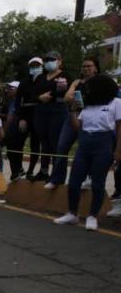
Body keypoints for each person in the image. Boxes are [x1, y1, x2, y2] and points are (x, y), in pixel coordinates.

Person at [54, 75, 121, 230]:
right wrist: (73, 111)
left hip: (103, 143)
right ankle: (72, 213)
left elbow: (119, 128)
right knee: (74, 181)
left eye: (91, 87)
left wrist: (118, 150)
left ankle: (92, 216)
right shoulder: (88, 105)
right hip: (84, 143)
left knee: (98, 182)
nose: (87, 90)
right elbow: (79, 126)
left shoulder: (116, 103)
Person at [47, 56, 101, 189]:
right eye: (84, 66)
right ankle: (57, 179)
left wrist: (78, 99)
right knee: (61, 147)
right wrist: (81, 100)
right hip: (72, 116)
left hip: (91, 119)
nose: (86, 68)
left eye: (89, 66)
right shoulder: (77, 82)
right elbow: (67, 97)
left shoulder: (100, 81)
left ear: (95, 68)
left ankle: (88, 178)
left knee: (86, 149)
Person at [33, 50, 71, 183]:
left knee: (56, 143)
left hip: (58, 111)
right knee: (44, 143)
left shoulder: (65, 75)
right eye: (47, 60)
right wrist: (40, 97)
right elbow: (33, 92)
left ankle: (57, 175)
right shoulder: (40, 77)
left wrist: (51, 95)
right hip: (41, 111)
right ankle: (43, 171)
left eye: (52, 59)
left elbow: (65, 92)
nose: (49, 62)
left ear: (60, 61)